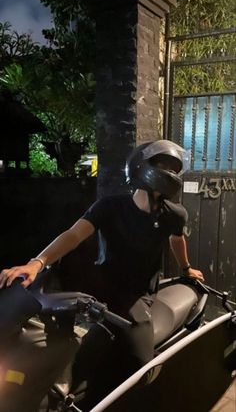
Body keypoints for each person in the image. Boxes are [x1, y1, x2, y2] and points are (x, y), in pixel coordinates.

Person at [0, 139, 204, 403]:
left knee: (141, 366)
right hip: (103, 290)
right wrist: (37, 263)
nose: (170, 172)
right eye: (163, 165)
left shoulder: (175, 214)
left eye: (175, 168)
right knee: (80, 354)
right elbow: (74, 234)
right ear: (141, 167)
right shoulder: (110, 206)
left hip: (139, 295)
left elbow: (177, 239)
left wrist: (186, 268)